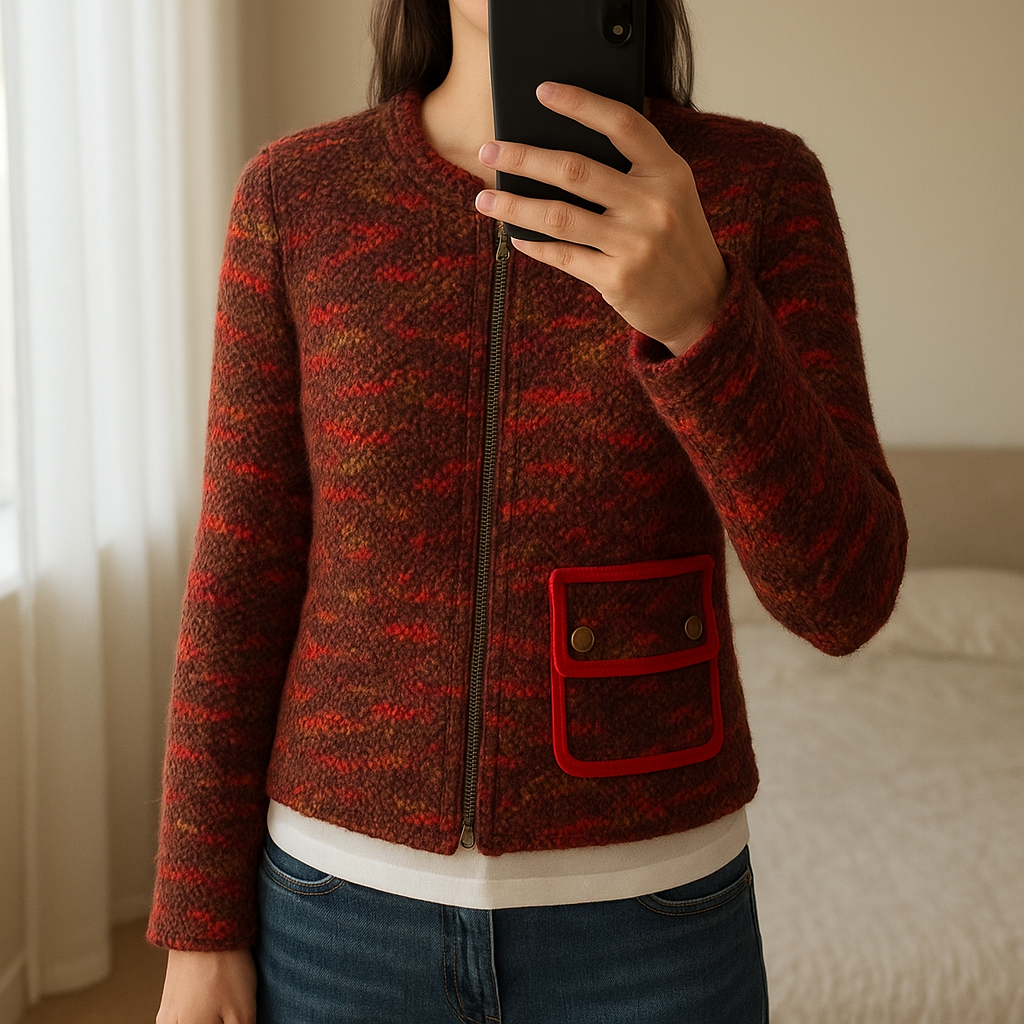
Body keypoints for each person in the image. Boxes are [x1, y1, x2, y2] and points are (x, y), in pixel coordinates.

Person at [150, 0, 908, 1021]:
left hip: (652, 924)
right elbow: (240, 577)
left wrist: (702, 320)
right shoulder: (298, 195)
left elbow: (844, 599)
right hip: (338, 915)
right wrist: (198, 927)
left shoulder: (756, 189)